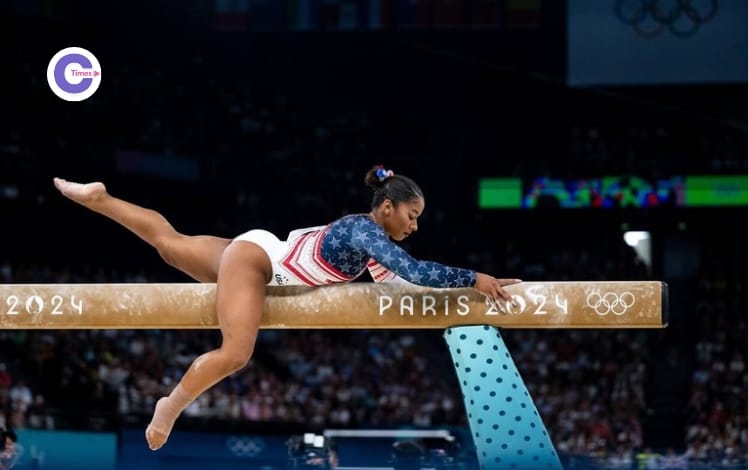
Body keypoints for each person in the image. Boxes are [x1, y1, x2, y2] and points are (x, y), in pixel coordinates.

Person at [52, 165, 520, 451]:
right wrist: (474, 279)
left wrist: (462, 298)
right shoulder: (362, 232)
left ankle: (101, 198)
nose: (415, 226)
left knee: (170, 246)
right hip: (256, 263)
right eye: (412, 216)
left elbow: (398, 281)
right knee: (236, 353)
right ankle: (168, 408)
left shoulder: (368, 241)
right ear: (387, 208)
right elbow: (414, 271)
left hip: (260, 251)